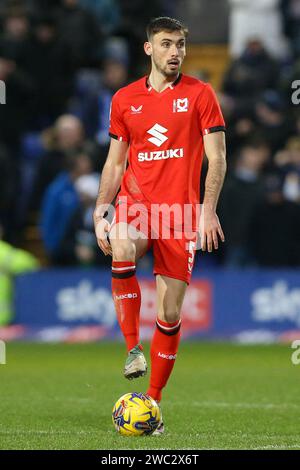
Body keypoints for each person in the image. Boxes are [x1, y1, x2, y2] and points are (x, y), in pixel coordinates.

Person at [93, 17, 226, 434]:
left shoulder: (201, 94)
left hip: (181, 214)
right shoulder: (125, 99)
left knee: (169, 313)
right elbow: (115, 163)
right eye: (167, 44)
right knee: (122, 241)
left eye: (181, 44)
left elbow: (217, 157)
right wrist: (102, 208)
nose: (176, 52)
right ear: (149, 48)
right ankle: (133, 348)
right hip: (136, 205)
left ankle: (152, 403)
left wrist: (207, 210)